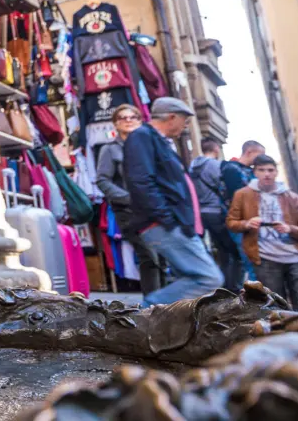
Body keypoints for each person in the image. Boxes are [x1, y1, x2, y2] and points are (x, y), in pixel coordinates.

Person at [123, 96, 223, 305]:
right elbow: (141, 181)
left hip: (177, 222)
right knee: (208, 278)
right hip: (165, 222)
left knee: (189, 278)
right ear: (171, 117)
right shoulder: (142, 137)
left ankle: (170, 330)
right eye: (184, 121)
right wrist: (167, 218)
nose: (185, 127)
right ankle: (141, 315)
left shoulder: (158, 141)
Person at [95, 104, 161, 295]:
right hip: (128, 211)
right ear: (115, 123)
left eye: (133, 117)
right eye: (123, 118)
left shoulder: (148, 147)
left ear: (140, 121)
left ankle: (168, 305)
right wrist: (127, 198)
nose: (128, 120)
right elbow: (102, 180)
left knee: (163, 257)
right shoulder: (109, 149)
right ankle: (154, 306)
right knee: (150, 256)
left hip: (153, 209)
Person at [227, 155, 298, 305]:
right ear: (255, 172)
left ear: (276, 172)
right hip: (265, 257)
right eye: (262, 170)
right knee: (276, 307)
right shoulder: (242, 195)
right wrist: (247, 224)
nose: (266, 174)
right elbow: (231, 223)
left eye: (270, 170)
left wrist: (289, 228)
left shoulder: (291, 197)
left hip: (294, 256)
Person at [189, 137, 243, 290]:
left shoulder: (193, 166)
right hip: (216, 211)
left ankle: (226, 287)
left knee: (221, 250)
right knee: (234, 252)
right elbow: (223, 186)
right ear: (216, 149)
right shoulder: (215, 165)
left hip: (201, 213)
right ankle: (232, 288)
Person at [222, 139, 266, 282]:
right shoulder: (231, 169)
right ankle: (257, 301)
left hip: (255, 222)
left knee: (261, 263)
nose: (261, 159)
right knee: (251, 263)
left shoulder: (251, 172)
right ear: (249, 152)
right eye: (259, 155)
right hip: (240, 223)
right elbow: (236, 197)